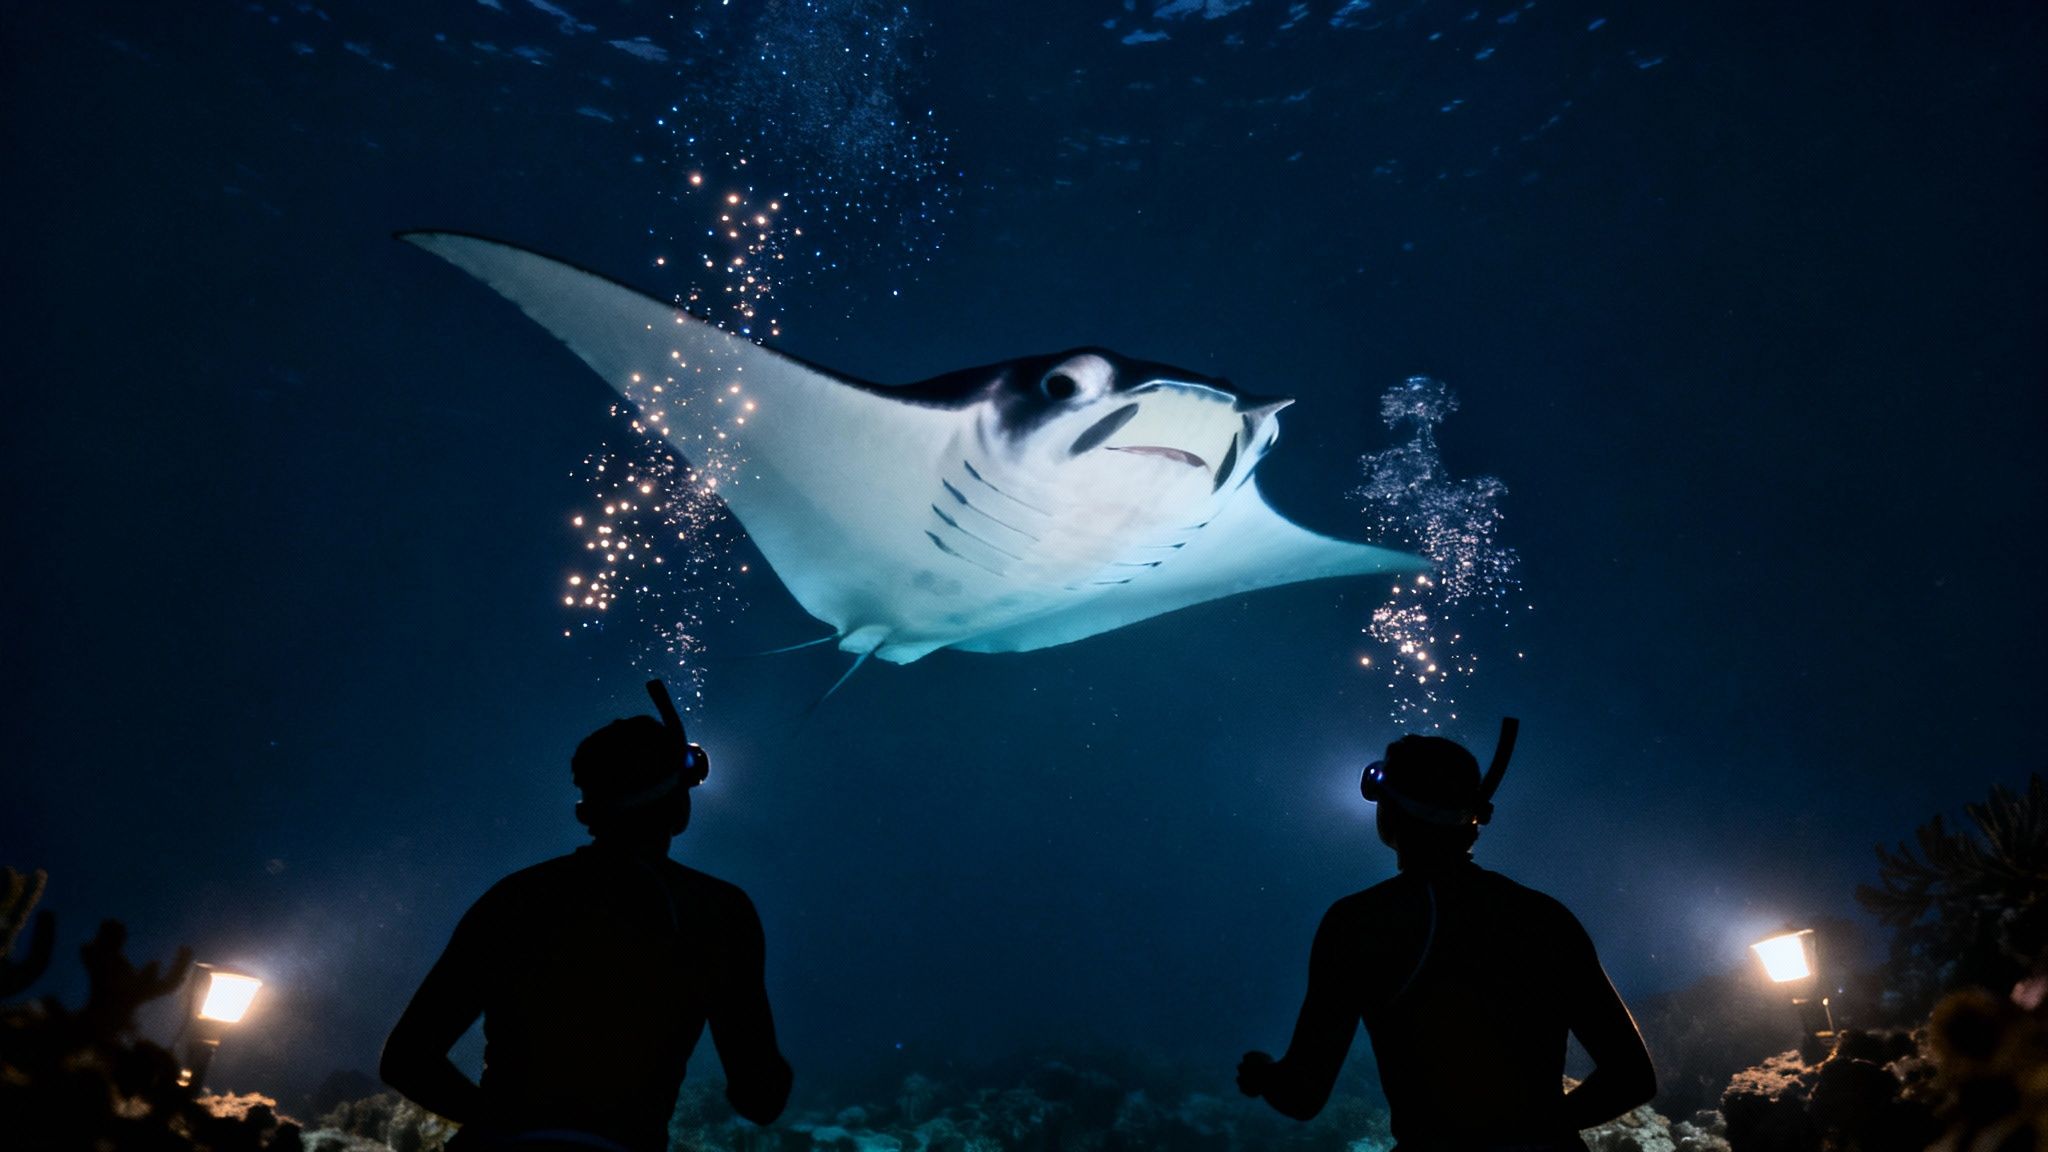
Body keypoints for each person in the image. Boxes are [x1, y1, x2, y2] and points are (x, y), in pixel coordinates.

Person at [382, 691, 791, 1152]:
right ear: (676, 803)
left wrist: (505, 1126)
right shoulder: (718, 911)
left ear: (589, 808)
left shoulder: (515, 899)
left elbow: (406, 1059)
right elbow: (761, 1098)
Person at [1237, 728, 1655, 1150]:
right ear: (1472, 818)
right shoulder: (1545, 918)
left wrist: (1262, 1074)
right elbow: (1631, 1078)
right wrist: (1534, 1131)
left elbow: (1302, 1095)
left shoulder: (1359, 924)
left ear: (1394, 812)